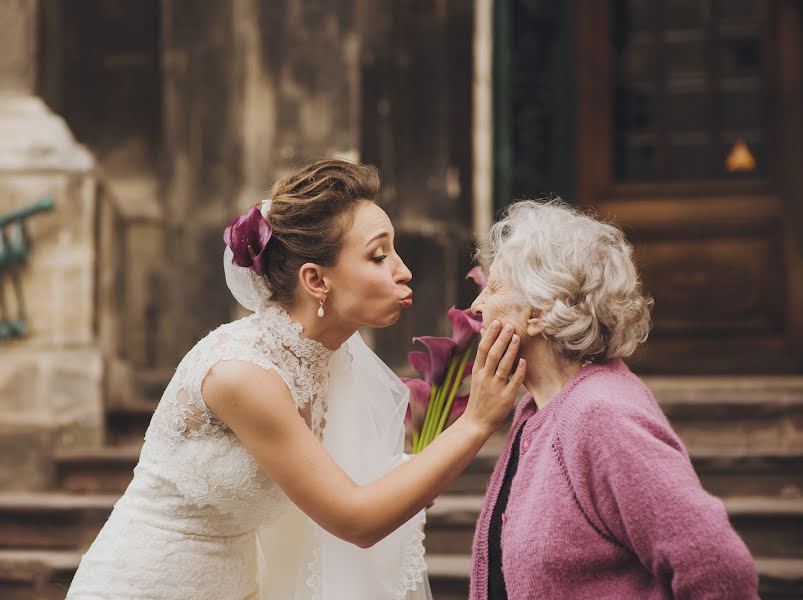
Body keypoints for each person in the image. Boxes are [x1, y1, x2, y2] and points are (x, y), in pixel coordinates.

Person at [66, 159, 525, 600]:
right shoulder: (243, 375)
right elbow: (355, 518)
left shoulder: (335, 354)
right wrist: (476, 422)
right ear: (315, 280)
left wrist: (411, 478)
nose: (404, 271)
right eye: (379, 255)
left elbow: (361, 485)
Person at [468, 200, 759, 599]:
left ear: (535, 312)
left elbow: (719, 568)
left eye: (495, 288)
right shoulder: (536, 409)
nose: (477, 305)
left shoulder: (602, 414)